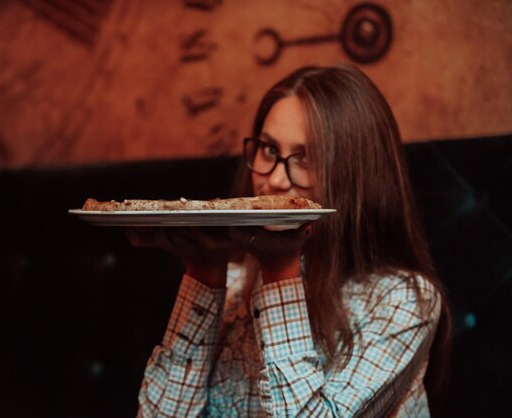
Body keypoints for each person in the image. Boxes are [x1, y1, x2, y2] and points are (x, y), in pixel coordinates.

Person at [127, 65, 451, 417]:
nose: (277, 180)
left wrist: (280, 269)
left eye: (305, 158)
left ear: (356, 175)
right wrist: (204, 271)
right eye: (268, 150)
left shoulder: (402, 301)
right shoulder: (234, 286)